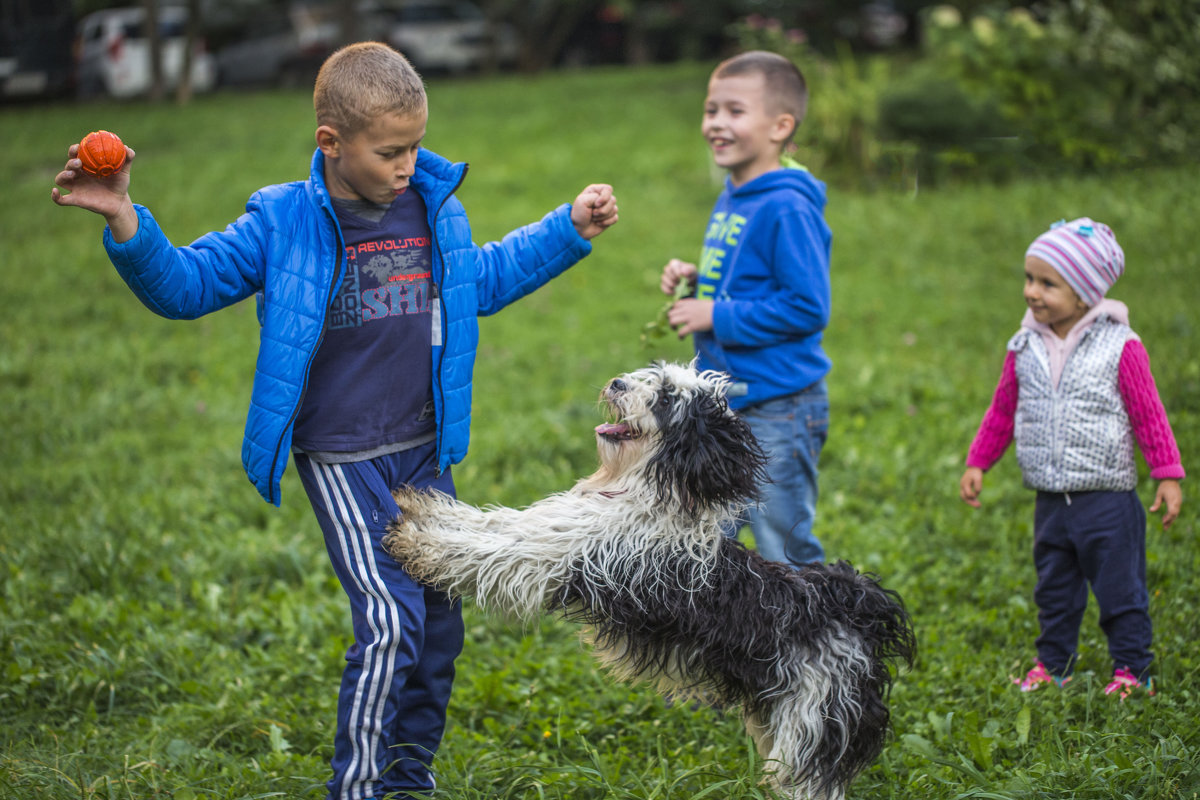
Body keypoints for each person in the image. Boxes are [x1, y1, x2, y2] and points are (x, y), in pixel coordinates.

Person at [52, 41, 618, 800]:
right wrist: (125, 215)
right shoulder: (280, 222)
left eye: (415, 146)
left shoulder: (430, 208)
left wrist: (568, 228)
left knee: (438, 629)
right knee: (391, 619)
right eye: (390, 151)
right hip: (344, 457)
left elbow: (482, 278)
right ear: (331, 143)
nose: (407, 165)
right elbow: (186, 286)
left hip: (423, 450)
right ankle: (355, 787)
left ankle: (408, 775)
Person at [959, 217, 1183, 701]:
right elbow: (1002, 410)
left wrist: (1166, 473)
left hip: (1107, 498)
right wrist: (979, 461)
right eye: (1029, 278)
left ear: (1085, 294)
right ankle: (1054, 665)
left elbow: (1149, 414)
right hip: (1050, 500)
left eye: (1047, 283)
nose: (1032, 292)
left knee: (1121, 591)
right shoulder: (1023, 347)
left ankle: (1133, 670)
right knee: (1054, 592)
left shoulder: (1121, 346)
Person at [658, 50, 831, 568]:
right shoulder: (737, 192)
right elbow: (748, 277)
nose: (716, 123)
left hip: (779, 405)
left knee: (782, 541)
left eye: (735, 111)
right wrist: (697, 279)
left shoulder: (787, 206)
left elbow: (806, 307)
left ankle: (814, 638)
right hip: (729, 401)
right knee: (707, 533)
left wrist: (715, 316)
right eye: (712, 110)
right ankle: (733, 640)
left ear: (781, 126)